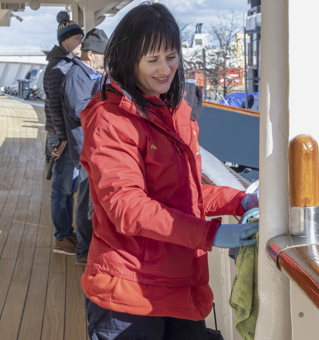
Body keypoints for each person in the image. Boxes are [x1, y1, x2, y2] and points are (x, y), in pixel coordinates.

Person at [79, 3, 259, 339]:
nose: (166, 69)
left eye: (171, 56)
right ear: (128, 60)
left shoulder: (173, 111)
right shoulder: (111, 119)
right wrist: (210, 234)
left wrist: (239, 200)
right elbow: (127, 206)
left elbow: (181, 192)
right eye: (153, 60)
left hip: (179, 286)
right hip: (129, 291)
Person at [60, 28, 108, 265]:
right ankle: (83, 250)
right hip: (86, 148)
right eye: (103, 55)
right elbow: (81, 111)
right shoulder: (75, 76)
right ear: (90, 54)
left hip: (93, 146)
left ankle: (86, 247)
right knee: (86, 199)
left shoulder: (88, 72)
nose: (105, 59)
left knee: (90, 198)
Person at [44, 11, 83, 255]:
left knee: (69, 186)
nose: (80, 42)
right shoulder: (57, 67)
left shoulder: (66, 63)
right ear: (65, 41)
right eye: (77, 38)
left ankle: (67, 233)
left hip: (67, 134)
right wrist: (61, 137)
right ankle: (61, 238)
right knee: (62, 188)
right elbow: (55, 106)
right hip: (63, 135)